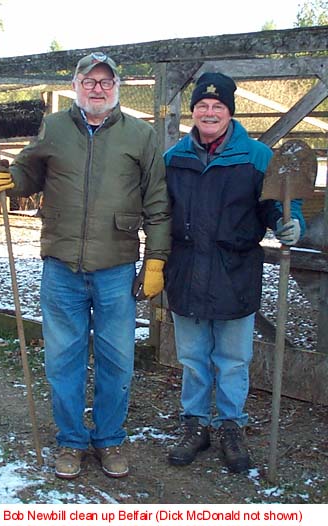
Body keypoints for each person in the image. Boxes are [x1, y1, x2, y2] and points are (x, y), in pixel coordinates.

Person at [0, 52, 171, 479]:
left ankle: (109, 440)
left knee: (117, 360)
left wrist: (157, 259)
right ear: (76, 85)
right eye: (89, 81)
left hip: (116, 267)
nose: (97, 88)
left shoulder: (140, 135)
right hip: (61, 267)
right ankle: (70, 441)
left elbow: (158, 204)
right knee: (63, 359)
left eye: (106, 82)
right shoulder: (51, 128)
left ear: (118, 88)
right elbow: (27, 173)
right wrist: (8, 179)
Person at [163, 72, 305, 473]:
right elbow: (158, 211)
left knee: (232, 359)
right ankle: (195, 424)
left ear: (230, 112)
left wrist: (288, 222)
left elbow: (281, 205)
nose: (210, 112)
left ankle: (230, 425)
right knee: (192, 358)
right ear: (194, 112)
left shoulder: (257, 157)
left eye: (218, 107)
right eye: (202, 107)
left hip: (235, 273)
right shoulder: (174, 158)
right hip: (186, 270)